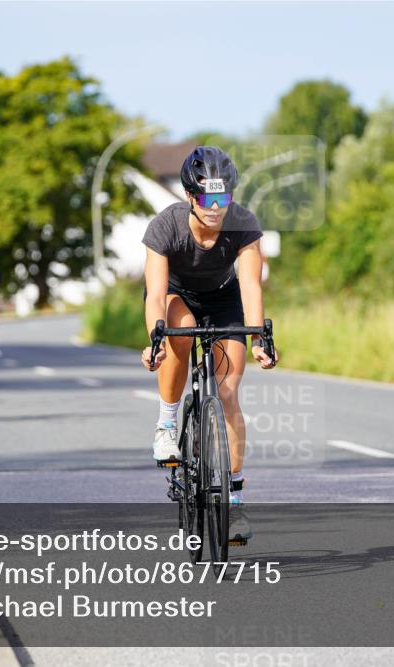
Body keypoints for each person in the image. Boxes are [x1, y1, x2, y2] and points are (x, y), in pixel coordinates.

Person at [140, 146, 277, 543]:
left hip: (223, 299)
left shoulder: (243, 224)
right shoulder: (165, 227)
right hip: (175, 296)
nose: (215, 208)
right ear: (189, 196)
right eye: (206, 199)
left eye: (223, 198)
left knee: (228, 392)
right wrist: (156, 340)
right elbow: (155, 293)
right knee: (180, 331)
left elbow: (250, 285)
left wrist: (259, 337)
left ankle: (233, 502)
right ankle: (167, 423)